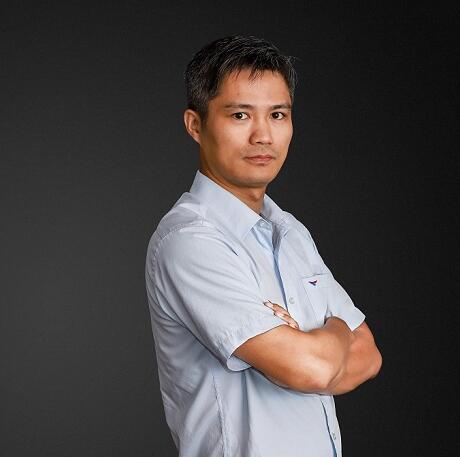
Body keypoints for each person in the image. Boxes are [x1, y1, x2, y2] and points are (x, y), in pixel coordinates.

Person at [145, 35, 382, 457]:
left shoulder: (291, 233)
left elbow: (369, 357)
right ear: (195, 125)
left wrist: (312, 343)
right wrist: (336, 329)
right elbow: (313, 369)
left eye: (277, 114)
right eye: (240, 115)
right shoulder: (190, 241)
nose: (263, 135)